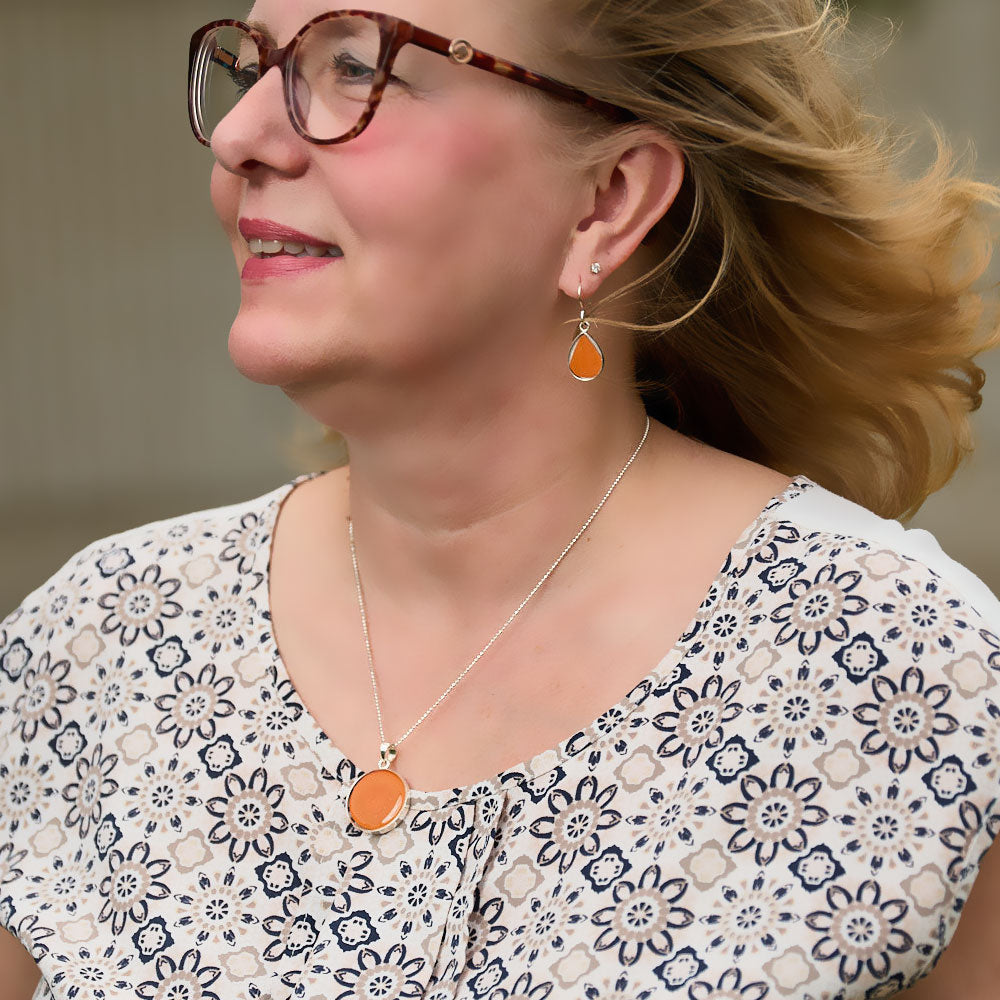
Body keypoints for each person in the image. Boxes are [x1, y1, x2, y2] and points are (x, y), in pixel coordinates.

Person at [2, 0, 999, 996]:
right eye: (253, 68)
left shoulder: (903, 674)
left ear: (606, 199)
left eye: (354, 67)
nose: (239, 135)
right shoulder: (94, 650)